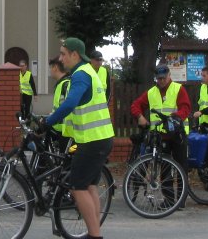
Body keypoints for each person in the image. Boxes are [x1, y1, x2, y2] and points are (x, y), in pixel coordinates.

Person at [42, 38, 114, 239]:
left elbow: (70, 103)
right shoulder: (88, 72)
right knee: (89, 186)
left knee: (78, 188)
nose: (61, 58)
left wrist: (48, 122)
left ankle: (95, 235)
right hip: (99, 138)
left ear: (75, 54)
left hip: (93, 141)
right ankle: (95, 233)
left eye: (63, 54)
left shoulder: (81, 74)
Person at [131, 63, 190, 206]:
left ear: (169, 76)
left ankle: (181, 201)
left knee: (181, 168)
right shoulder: (151, 92)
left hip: (177, 135)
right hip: (160, 136)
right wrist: (140, 116)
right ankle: (169, 201)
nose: (161, 81)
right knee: (165, 171)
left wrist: (175, 117)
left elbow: (186, 108)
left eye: (164, 78)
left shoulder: (178, 89)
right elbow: (135, 105)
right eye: (159, 79)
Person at [48, 56, 72, 149]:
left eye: (51, 68)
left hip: (65, 131)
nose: (50, 71)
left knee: (66, 159)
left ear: (55, 67)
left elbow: (67, 107)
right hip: (60, 129)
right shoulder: (62, 83)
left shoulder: (65, 84)